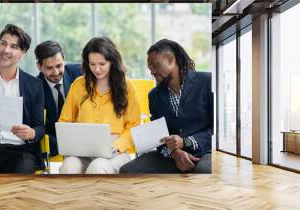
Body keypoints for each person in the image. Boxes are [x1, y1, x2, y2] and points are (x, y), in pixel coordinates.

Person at [120, 39, 213, 173]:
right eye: (150, 68)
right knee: (128, 170)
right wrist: (175, 153)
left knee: (204, 169)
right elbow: (158, 137)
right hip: (172, 155)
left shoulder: (206, 82)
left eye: (155, 65)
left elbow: (217, 128)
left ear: (171, 59)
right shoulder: (154, 96)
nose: (152, 71)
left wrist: (186, 141)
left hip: (205, 150)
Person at [58, 36, 141, 174]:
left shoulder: (127, 86)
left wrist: (118, 145)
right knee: (69, 167)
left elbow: (134, 126)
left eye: (102, 64)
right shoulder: (78, 84)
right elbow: (65, 121)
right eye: (92, 64)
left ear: (112, 62)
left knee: (98, 167)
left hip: (114, 151)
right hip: (82, 149)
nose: (97, 69)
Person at [0, 24, 45, 173]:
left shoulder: (35, 85)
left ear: (22, 53)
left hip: (20, 151)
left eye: (14, 46)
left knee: (22, 170)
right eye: (3, 43)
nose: (6, 50)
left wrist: (31, 133)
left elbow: (40, 127)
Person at [34, 40, 81, 156]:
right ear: (39, 67)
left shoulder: (79, 73)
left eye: (59, 66)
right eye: (49, 68)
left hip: (82, 136)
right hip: (54, 143)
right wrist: (64, 145)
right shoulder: (34, 88)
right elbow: (38, 127)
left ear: (64, 59)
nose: (55, 72)